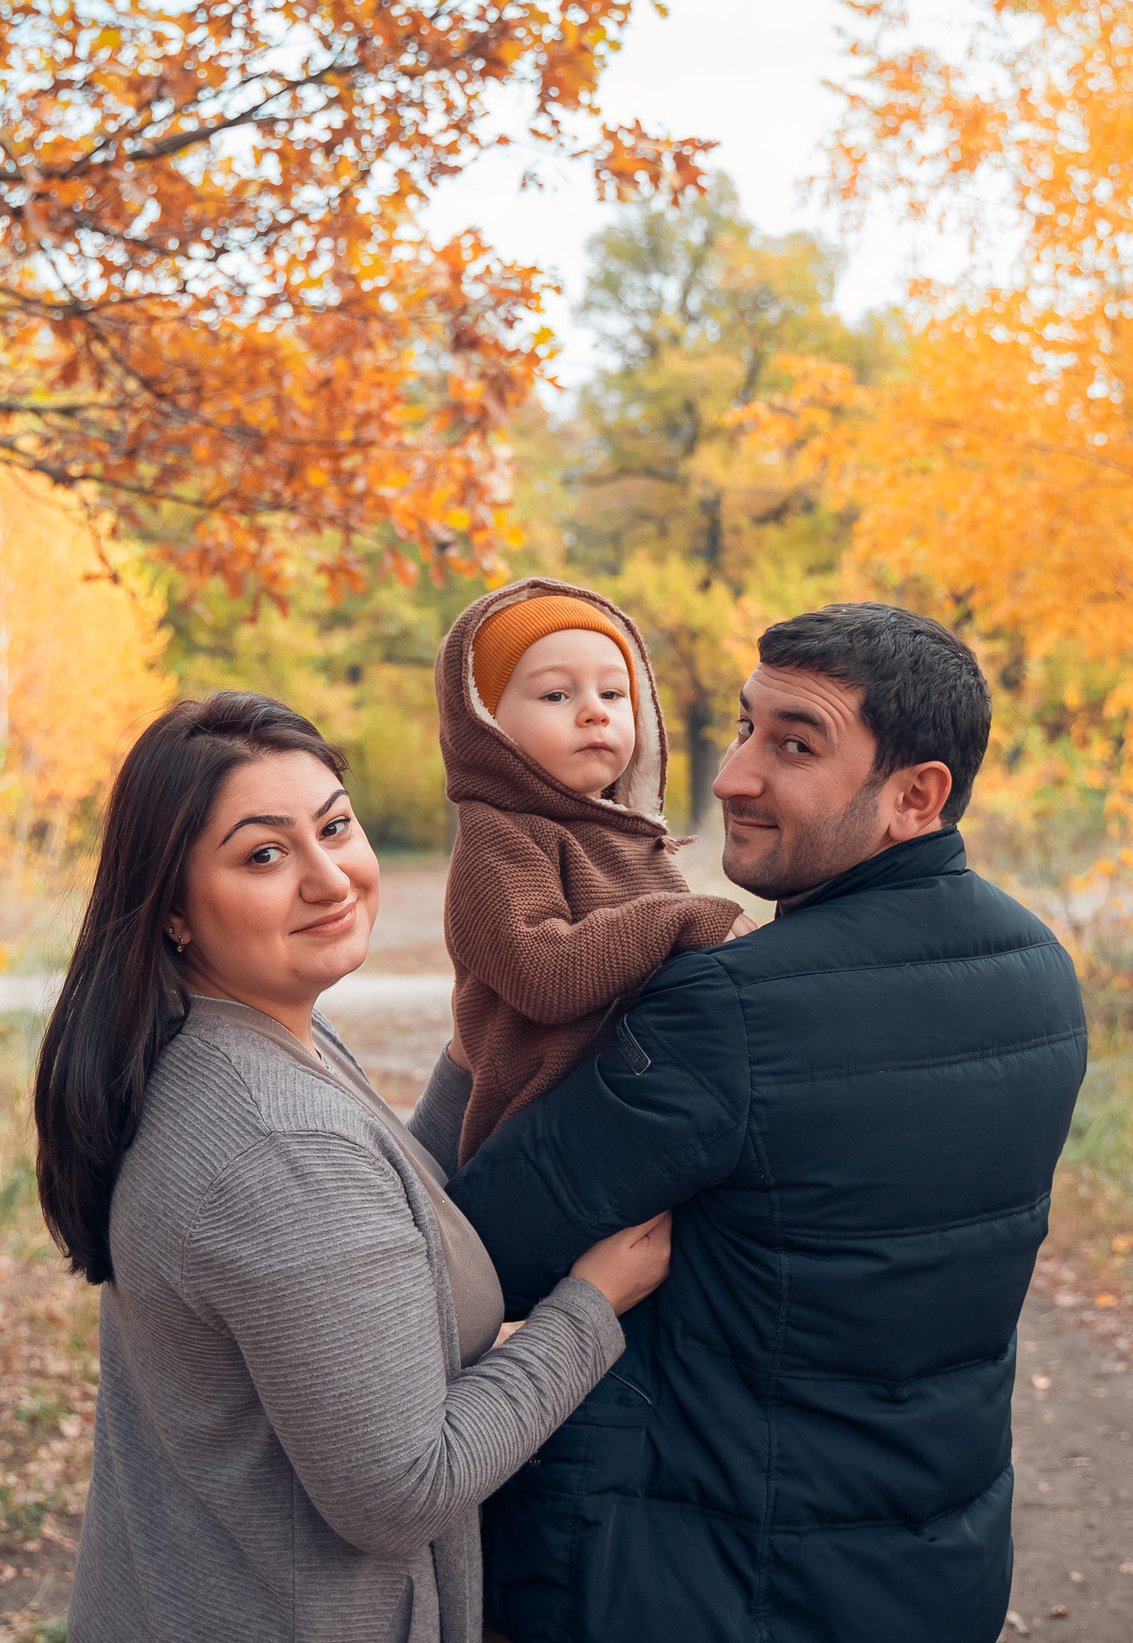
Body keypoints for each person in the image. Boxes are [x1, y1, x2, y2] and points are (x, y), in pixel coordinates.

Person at [438, 604, 1090, 1643]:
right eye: (744, 728)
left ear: (914, 796)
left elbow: (476, 1259)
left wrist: (489, 1042)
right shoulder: (1038, 972)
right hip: (934, 1567)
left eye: (793, 745)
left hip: (697, 1576)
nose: (734, 775)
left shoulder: (734, 1010)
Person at [33, 691, 674, 1643]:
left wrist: (483, 1044)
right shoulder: (277, 1144)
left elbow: (381, 1212)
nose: (330, 878)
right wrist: (590, 1305)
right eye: (264, 853)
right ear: (173, 909)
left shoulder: (234, 1037)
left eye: (335, 825)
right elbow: (403, 1489)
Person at [415, 578, 749, 1168]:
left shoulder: (629, 835)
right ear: (487, 724)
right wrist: (689, 918)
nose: (595, 711)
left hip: (634, 1109)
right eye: (555, 696)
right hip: (546, 1138)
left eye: (615, 694)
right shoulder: (501, 834)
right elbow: (544, 974)